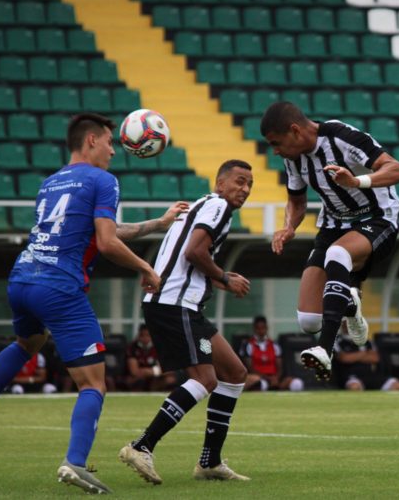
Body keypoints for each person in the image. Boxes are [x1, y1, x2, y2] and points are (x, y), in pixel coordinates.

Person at [0, 113, 187, 493]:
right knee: (93, 383)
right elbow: (105, 242)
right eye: (109, 142)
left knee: (27, 344)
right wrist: (146, 267)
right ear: (91, 140)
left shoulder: (51, 182)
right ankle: (75, 462)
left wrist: (157, 223)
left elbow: (100, 230)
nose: (113, 151)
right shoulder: (103, 180)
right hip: (59, 286)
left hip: (22, 278)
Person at [119, 160, 255, 484]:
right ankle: (142, 446)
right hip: (174, 305)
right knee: (205, 379)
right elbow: (195, 252)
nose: (245, 190)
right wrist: (223, 276)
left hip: (182, 305)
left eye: (250, 184)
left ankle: (210, 462)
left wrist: (220, 281)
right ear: (220, 183)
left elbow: (187, 258)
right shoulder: (219, 205)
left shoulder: (202, 206)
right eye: (239, 181)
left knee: (234, 373)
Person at [262, 102, 399, 381]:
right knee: (308, 320)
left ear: (294, 130)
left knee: (337, 254)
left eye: (276, 143)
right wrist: (288, 227)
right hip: (333, 224)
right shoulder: (293, 158)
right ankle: (349, 306)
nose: (275, 150)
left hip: (377, 217)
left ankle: (324, 349)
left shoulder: (342, 137)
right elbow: (296, 200)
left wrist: (357, 182)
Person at [333, 321, 399, 391]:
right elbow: (344, 358)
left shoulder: (367, 341)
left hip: (369, 375)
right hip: (351, 376)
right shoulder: (337, 341)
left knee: (398, 386)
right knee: (354, 387)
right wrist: (365, 353)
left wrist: (354, 356)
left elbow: (375, 358)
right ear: (343, 326)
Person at [243, 315, 303, 391]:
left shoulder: (274, 345)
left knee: (297, 383)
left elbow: (280, 367)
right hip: (259, 379)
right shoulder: (248, 345)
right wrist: (266, 378)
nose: (261, 331)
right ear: (254, 329)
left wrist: (276, 378)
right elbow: (250, 368)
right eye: (258, 328)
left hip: (274, 378)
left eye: (263, 328)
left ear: (267, 328)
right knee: (260, 383)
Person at [125, 324, 177, 392]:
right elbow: (134, 372)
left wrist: (153, 372)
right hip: (138, 378)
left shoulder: (159, 347)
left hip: (155, 377)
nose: (145, 338)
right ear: (138, 335)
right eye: (142, 335)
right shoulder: (132, 347)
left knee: (170, 379)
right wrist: (156, 371)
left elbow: (169, 369)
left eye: (148, 335)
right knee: (136, 380)